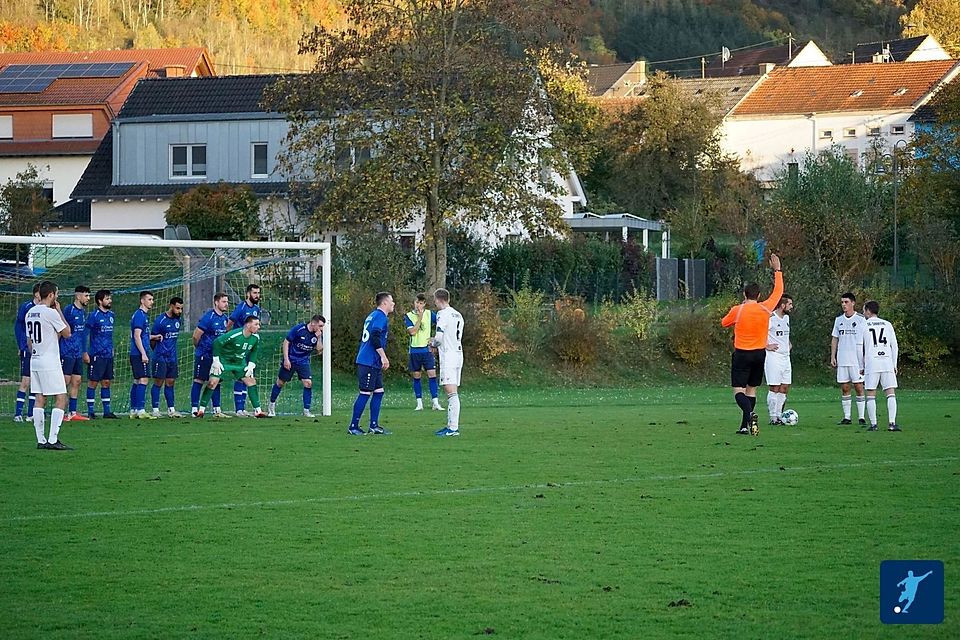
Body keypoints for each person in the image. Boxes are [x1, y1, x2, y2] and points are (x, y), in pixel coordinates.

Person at [720, 253, 784, 435]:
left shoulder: (738, 310)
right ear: (759, 295)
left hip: (742, 353)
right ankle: (744, 426)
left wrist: (737, 313)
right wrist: (777, 271)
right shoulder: (765, 308)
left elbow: (724, 322)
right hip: (759, 354)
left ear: (744, 294)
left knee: (738, 391)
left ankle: (750, 413)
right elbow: (778, 292)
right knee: (752, 389)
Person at [26, 281, 73, 450]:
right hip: (49, 361)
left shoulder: (30, 312)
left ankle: (41, 440)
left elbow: (29, 341)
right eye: (57, 294)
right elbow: (67, 333)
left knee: (40, 398)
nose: (57, 297)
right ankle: (53, 440)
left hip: (35, 359)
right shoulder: (50, 312)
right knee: (61, 397)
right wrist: (59, 311)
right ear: (51, 295)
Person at [196, 316, 266, 418]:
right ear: (248, 325)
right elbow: (217, 342)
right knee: (212, 382)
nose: (258, 327)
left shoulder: (255, 338)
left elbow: (254, 350)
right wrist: (216, 360)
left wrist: (251, 364)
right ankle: (201, 410)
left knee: (251, 381)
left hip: (239, 362)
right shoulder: (235, 334)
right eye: (256, 324)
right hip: (224, 360)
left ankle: (258, 411)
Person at [348, 291, 394, 435]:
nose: (393, 304)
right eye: (391, 301)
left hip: (371, 361)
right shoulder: (380, 316)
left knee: (379, 392)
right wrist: (383, 356)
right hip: (369, 360)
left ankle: (374, 426)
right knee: (365, 393)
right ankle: (353, 426)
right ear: (384, 303)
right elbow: (374, 336)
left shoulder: (372, 315)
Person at [268, 314, 325, 417]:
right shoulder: (299, 329)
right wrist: (286, 359)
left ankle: (306, 410)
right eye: (320, 326)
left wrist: (319, 337)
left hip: (303, 361)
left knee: (308, 383)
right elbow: (286, 342)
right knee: (280, 383)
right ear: (313, 323)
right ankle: (271, 406)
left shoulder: (318, 334)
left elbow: (319, 350)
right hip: (291, 359)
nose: (321, 328)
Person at [861, 300, 901, 432]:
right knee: (890, 392)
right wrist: (894, 364)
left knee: (871, 393)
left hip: (872, 362)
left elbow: (859, 347)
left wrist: (861, 365)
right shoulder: (887, 324)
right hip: (887, 361)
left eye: (864, 310)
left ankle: (874, 424)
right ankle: (892, 423)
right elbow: (894, 346)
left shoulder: (864, 325)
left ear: (868, 310)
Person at [430, 288, 465, 437]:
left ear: (438, 299)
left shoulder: (442, 314)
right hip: (458, 354)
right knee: (452, 391)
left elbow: (438, 337)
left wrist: (432, 344)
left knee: (451, 393)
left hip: (449, 357)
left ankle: (453, 428)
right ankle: (451, 426)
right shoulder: (458, 314)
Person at [191, 293, 230, 418]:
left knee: (216, 381)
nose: (226, 304)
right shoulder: (208, 317)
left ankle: (217, 410)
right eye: (224, 301)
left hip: (217, 357)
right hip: (204, 355)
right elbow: (196, 335)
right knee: (199, 380)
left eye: (227, 302)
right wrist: (200, 348)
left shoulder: (224, 319)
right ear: (216, 303)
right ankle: (194, 409)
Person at [831, 292, 867, 426]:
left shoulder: (861, 319)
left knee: (858, 387)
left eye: (846, 302)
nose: (844, 305)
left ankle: (862, 417)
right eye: (842, 302)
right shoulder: (838, 320)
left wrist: (865, 358)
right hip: (843, 359)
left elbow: (866, 340)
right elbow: (835, 338)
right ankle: (847, 417)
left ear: (853, 303)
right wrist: (833, 356)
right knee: (845, 387)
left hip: (857, 361)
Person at [226, 284, 262, 416]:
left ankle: (243, 408)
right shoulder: (241, 307)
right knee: (241, 376)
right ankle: (239, 409)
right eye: (254, 293)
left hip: (249, 347)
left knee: (248, 374)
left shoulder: (257, 309)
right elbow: (229, 324)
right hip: (239, 348)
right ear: (248, 294)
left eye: (258, 293)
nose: (257, 295)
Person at [404, 293, 443, 411]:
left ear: (424, 304)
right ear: (414, 303)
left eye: (421, 303)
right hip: (415, 351)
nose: (418, 305)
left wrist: (435, 339)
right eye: (417, 303)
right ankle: (419, 402)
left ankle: (435, 402)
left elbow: (441, 325)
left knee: (432, 374)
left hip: (426, 350)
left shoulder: (429, 314)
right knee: (417, 376)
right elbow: (413, 332)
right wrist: (419, 317)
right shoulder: (408, 316)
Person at [85, 289, 118, 419]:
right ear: (100, 301)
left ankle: (107, 411)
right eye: (107, 298)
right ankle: (91, 411)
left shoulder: (111, 315)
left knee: (106, 382)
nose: (110, 301)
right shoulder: (94, 316)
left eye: (110, 298)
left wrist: (112, 348)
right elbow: (86, 334)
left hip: (108, 354)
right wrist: (86, 351)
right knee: (93, 382)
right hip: (96, 354)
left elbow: (109, 335)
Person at [150, 297, 184, 417]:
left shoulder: (177, 320)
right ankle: (155, 410)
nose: (179, 311)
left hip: (172, 357)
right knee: (158, 382)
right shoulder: (160, 320)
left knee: (170, 382)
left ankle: (171, 410)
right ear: (171, 306)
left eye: (181, 309)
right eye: (177, 308)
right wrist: (159, 352)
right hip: (160, 357)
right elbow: (152, 338)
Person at [129, 291, 161, 419]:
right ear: (142, 301)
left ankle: (134, 410)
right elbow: (136, 336)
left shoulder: (142, 315)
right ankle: (140, 410)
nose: (152, 302)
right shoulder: (139, 315)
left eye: (152, 299)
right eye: (149, 299)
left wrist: (154, 337)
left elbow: (142, 335)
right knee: (143, 379)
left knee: (138, 380)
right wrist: (143, 353)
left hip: (138, 352)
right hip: (138, 353)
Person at [60, 285, 90, 421]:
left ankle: (72, 412)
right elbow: (61, 329)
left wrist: (84, 351)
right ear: (78, 296)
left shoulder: (83, 312)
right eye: (86, 295)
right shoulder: (69, 310)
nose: (88, 298)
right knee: (64, 381)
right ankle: (60, 411)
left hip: (77, 352)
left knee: (77, 381)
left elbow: (83, 334)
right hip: (67, 351)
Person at [12, 283, 40, 422]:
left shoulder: (45, 309)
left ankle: (31, 414)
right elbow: (18, 326)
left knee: (36, 382)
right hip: (27, 348)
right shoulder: (27, 307)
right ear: (36, 294)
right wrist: (21, 345)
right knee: (26, 381)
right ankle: (18, 414)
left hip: (39, 350)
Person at [764, 295, 793, 425]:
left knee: (785, 387)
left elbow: (784, 335)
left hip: (786, 357)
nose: (791, 307)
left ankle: (780, 415)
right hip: (773, 357)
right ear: (783, 305)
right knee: (774, 387)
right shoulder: (771, 318)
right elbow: (760, 332)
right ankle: (773, 417)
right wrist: (767, 345)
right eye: (790, 304)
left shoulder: (786, 318)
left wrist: (789, 343)